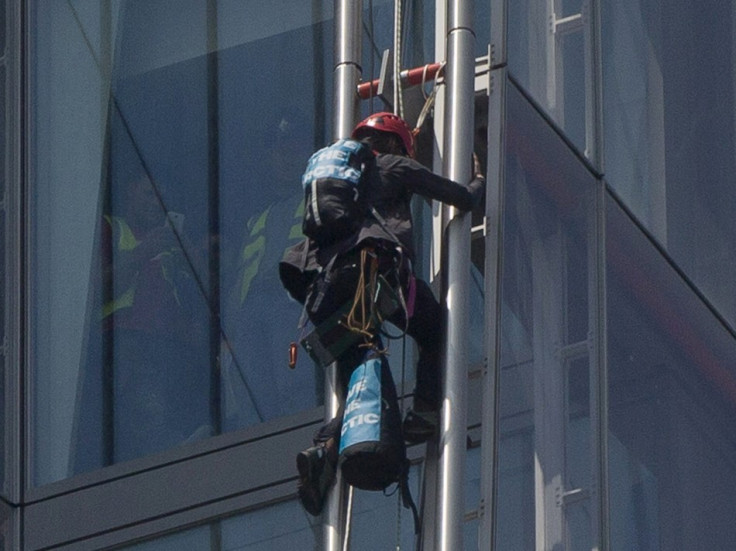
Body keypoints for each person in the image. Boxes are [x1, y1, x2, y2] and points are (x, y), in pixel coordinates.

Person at [279, 112, 485, 515]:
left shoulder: (341, 186)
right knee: (436, 328)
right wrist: (478, 179)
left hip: (324, 289)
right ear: (397, 145)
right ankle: (425, 411)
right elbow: (460, 198)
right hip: (376, 274)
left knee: (361, 377)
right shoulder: (393, 165)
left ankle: (323, 450)